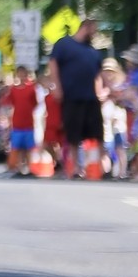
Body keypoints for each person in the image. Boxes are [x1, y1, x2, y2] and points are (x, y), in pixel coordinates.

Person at [47, 17, 104, 179]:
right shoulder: (64, 45)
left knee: (97, 133)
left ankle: (97, 166)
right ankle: (76, 168)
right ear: (85, 27)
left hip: (91, 98)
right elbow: (53, 63)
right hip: (71, 96)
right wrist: (57, 86)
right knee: (73, 134)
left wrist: (104, 90)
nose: (94, 34)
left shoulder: (92, 51)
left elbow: (98, 74)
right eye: (93, 30)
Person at [4, 66, 41, 178]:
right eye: (20, 74)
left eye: (24, 74)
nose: (22, 76)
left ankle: (29, 167)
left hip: (28, 123)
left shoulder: (31, 89)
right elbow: (9, 103)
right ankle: (19, 167)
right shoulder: (13, 90)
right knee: (18, 147)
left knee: (29, 147)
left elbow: (35, 103)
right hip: (17, 123)